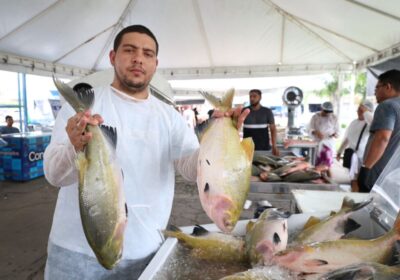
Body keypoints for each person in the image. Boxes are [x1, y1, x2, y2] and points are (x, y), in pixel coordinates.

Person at [43, 25, 248, 279]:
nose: (138, 58)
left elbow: (190, 167)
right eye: (129, 50)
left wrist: (222, 140)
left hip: (146, 251)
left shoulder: (169, 117)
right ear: (113, 57)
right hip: (77, 253)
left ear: (155, 63)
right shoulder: (82, 108)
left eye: (147, 53)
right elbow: (54, 175)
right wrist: (74, 147)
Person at [358, 69, 400, 193]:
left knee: (369, 209)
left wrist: (366, 168)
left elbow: (382, 138)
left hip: (379, 173)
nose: (374, 91)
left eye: (377, 87)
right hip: (396, 175)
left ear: (388, 87)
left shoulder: (387, 106)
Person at [336, 101, 374, 192]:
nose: (358, 112)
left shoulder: (368, 123)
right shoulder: (354, 122)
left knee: (359, 180)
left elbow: (373, 121)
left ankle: (356, 196)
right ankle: (354, 194)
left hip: (361, 156)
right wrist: (339, 151)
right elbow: (347, 138)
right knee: (353, 179)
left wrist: (365, 112)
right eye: (358, 110)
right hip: (351, 153)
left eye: (361, 110)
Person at [243, 89, 279, 155]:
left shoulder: (267, 111)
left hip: (264, 147)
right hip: (247, 148)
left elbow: (273, 129)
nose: (252, 98)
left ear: (260, 97)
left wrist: (274, 145)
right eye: (250, 96)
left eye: (254, 96)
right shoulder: (244, 111)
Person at [308, 101, 339, 167]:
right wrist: (316, 132)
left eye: (329, 112)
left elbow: (338, 131)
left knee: (327, 162)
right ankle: (319, 174)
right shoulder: (315, 117)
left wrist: (335, 134)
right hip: (317, 142)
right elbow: (310, 128)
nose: (327, 114)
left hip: (328, 143)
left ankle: (327, 174)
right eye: (326, 112)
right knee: (317, 161)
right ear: (322, 109)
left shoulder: (334, 118)